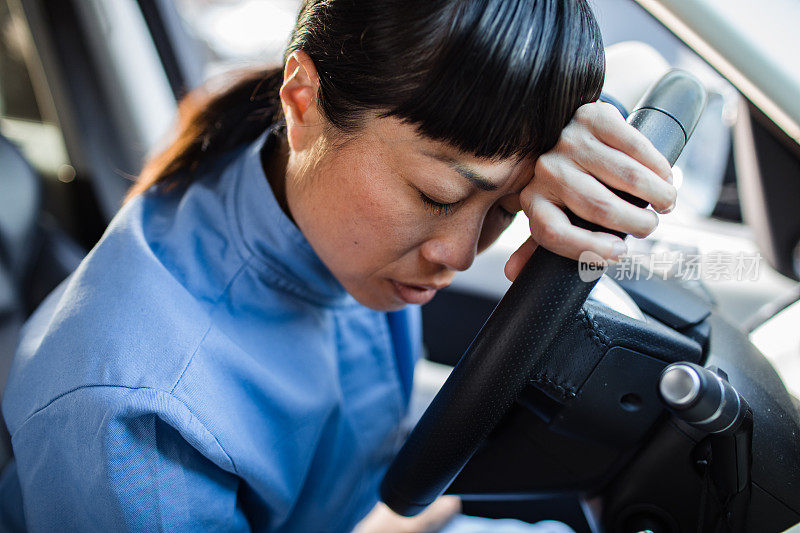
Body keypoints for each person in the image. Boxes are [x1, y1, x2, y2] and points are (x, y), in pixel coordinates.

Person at [0, 0, 676, 531]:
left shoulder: (313, 203)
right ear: (301, 101)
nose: (460, 254)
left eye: (506, 206)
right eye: (435, 196)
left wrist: (591, 156)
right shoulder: (136, 413)